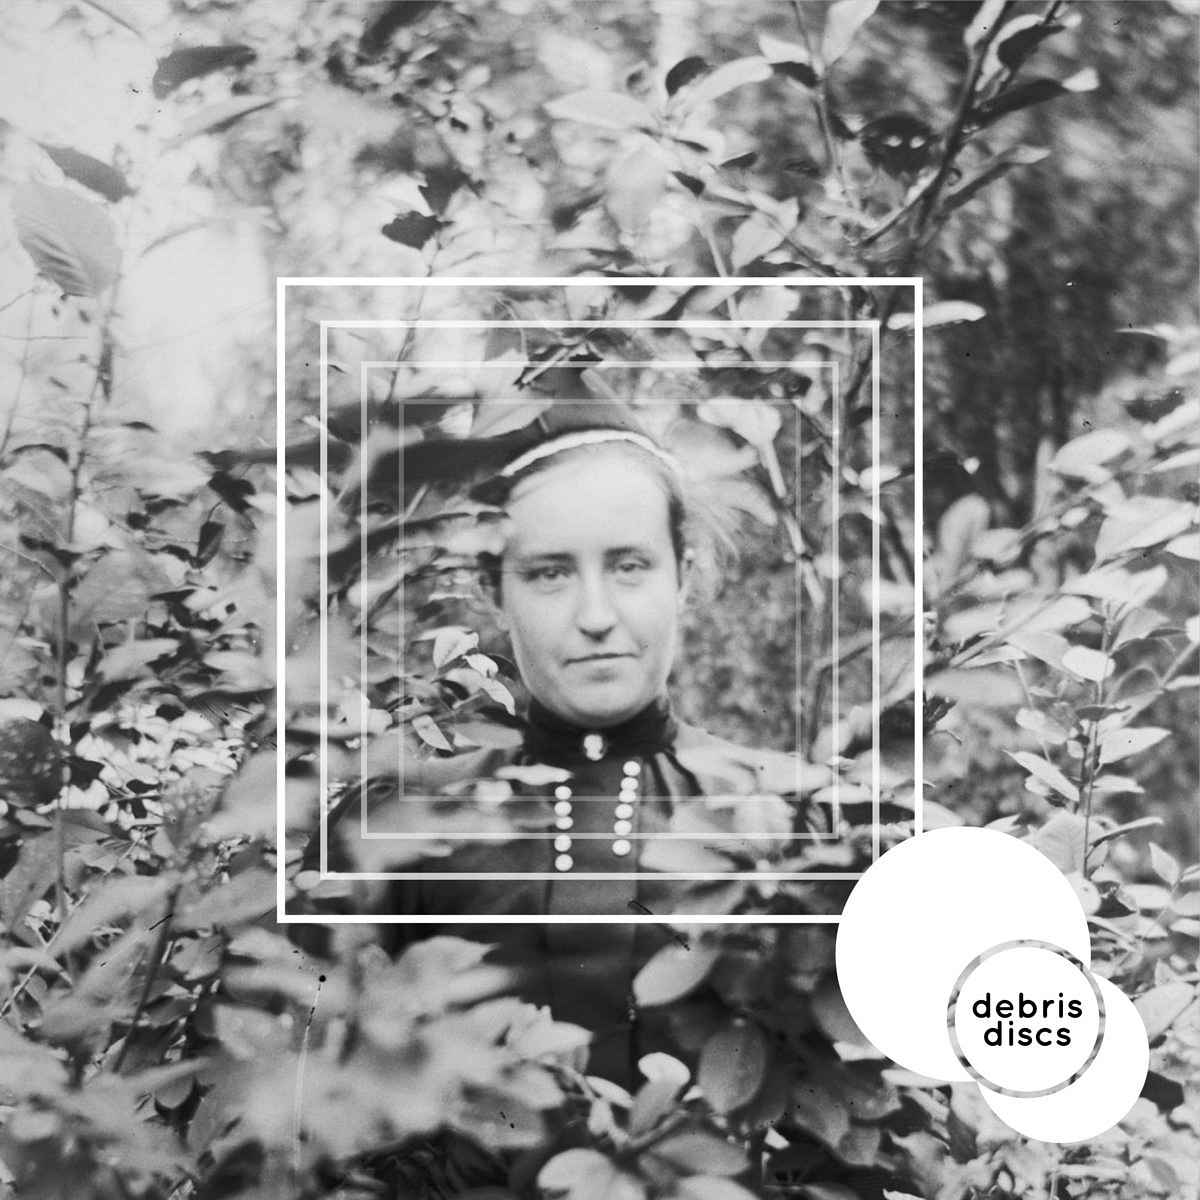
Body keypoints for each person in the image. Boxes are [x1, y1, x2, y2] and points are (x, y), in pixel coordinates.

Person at [301, 398, 830, 1087]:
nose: (596, 616)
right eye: (549, 572)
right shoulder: (396, 827)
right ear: (494, 590)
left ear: (683, 575)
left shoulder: (791, 818)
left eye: (629, 565)